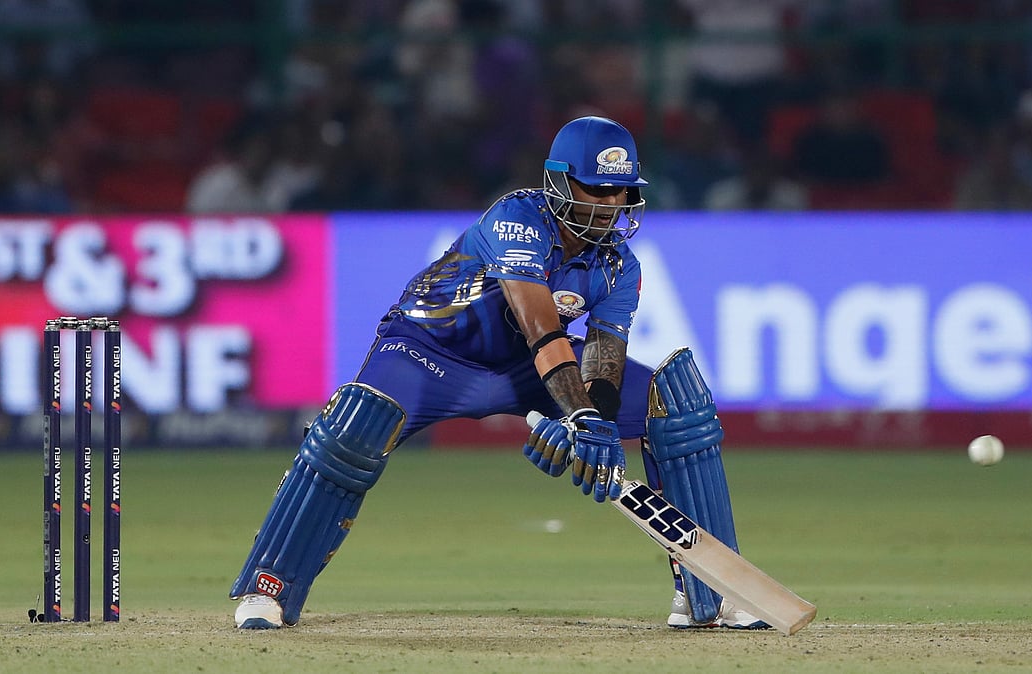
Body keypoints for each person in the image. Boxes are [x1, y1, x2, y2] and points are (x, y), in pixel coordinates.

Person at [229, 116, 768, 631]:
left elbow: (602, 361)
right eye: (596, 189)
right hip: (429, 352)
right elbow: (540, 326)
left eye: (621, 191)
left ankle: (712, 592)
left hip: (523, 369)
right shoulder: (516, 219)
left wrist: (592, 426)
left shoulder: (619, 265)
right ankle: (268, 586)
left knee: (672, 400)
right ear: (559, 182)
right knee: (354, 427)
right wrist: (578, 411)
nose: (611, 205)